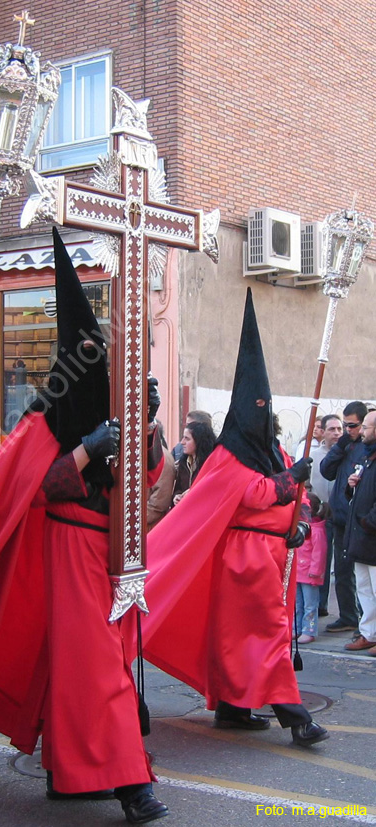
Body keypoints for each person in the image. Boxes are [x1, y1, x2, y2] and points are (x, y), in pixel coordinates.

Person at [0, 228, 168, 825]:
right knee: (95, 663)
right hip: (66, 544)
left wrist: (146, 426)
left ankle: (67, 772)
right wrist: (85, 449)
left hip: (114, 548)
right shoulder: (43, 416)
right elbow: (30, 488)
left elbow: (151, 477)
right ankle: (132, 785)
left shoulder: (113, 405)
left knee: (79, 662)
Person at [141, 288, 329, 748]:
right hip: (243, 558)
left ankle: (232, 707)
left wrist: (300, 520)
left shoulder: (270, 449)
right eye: (258, 409)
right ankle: (294, 715)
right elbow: (254, 493)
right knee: (265, 633)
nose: (263, 418)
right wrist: (290, 481)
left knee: (240, 638)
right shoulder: (228, 453)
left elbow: (296, 497)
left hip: (271, 555)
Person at [320, 401, 368, 633]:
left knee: (363, 577)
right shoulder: (346, 445)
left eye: (353, 425)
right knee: (341, 571)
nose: (348, 430)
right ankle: (349, 615)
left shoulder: (367, 447)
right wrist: (340, 446)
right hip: (340, 518)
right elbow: (326, 470)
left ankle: (366, 623)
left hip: (358, 521)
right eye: (345, 425)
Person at [342, 410, 376, 656]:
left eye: (366, 427)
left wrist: (368, 523)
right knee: (364, 589)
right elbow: (358, 495)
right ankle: (369, 633)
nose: (362, 431)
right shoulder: (367, 458)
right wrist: (351, 485)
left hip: (370, 535)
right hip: (361, 537)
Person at [310, 414, 342, 616]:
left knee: (342, 565)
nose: (337, 433)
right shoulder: (314, 455)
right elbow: (307, 485)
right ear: (323, 431)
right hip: (320, 516)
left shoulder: (348, 453)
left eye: (339, 429)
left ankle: (348, 611)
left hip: (341, 515)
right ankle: (320, 605)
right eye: (332, 429)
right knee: (320, 561)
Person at [295, 493, 329, 644]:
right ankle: (297, 628)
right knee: (298, 603)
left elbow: (319, 553)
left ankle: (309, 629)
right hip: (298, 572)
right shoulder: (301, 528)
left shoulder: (317, 531)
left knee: (310, 604)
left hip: (309, 575)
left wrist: (315, 572)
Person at [171, 420, 216, 506]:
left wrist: (193, 493)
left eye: (187, 439)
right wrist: (176, 496)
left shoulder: (211, 464)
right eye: (183, 437)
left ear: (198, 441)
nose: (182, 442)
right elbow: (178, 488)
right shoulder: (183, 463)